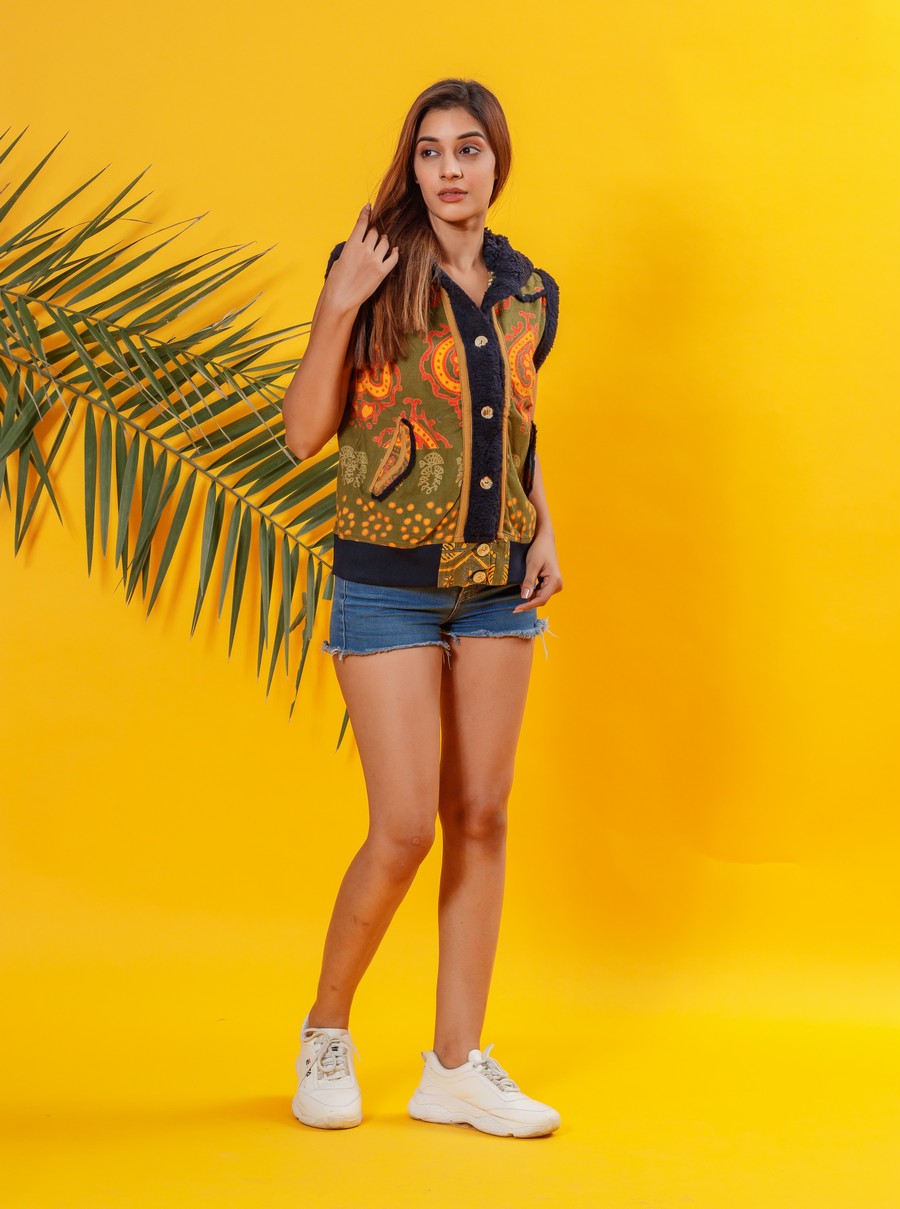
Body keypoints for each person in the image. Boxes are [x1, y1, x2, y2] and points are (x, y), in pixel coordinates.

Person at [281, 78, 563, 1139]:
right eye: (432, 151)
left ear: (497, 162)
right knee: (402, 827)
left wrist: (544, 526)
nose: (451, 169)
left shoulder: (530, 290)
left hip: (498, 588)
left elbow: (515, 423)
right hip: (386, 590)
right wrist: (338, 301)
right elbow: (301, 433)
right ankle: (326, 1029)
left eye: (469, 149)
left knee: (481, 817)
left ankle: (454, 1065)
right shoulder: (371, 268)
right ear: (412, 166)